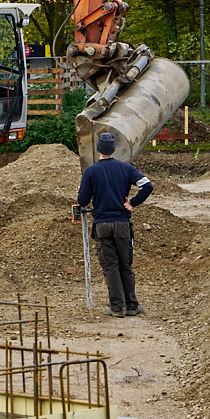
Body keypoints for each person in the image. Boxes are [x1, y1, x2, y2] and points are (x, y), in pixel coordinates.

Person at [77, 132, 154, 318]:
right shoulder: (126, 168)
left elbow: (82, 200)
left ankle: (117, 307)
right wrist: (132, 203)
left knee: (111, 266)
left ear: (98, 149)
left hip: (102, 225)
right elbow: (147, 186)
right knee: (125, 264)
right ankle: (132, 305)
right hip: (122, 224)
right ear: (113, 149)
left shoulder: (91, 171)